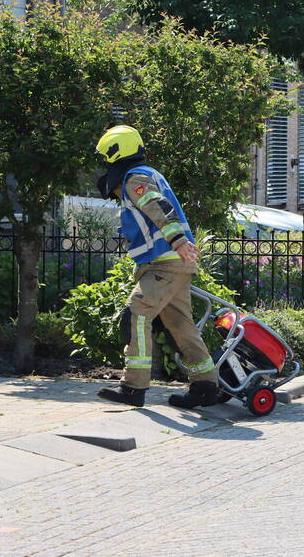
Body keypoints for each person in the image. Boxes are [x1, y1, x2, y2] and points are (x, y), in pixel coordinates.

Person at [93, 125, 220, 409]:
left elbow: (156, 207)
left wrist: (176, 241)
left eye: (106, 157)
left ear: (116, 151)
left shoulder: (134, 178)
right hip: (173, 262)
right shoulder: (148, 173)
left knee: (136, 312)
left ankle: (133, 387)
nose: (105, 163)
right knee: (180, 325)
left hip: (164, 260)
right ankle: (205, 386)